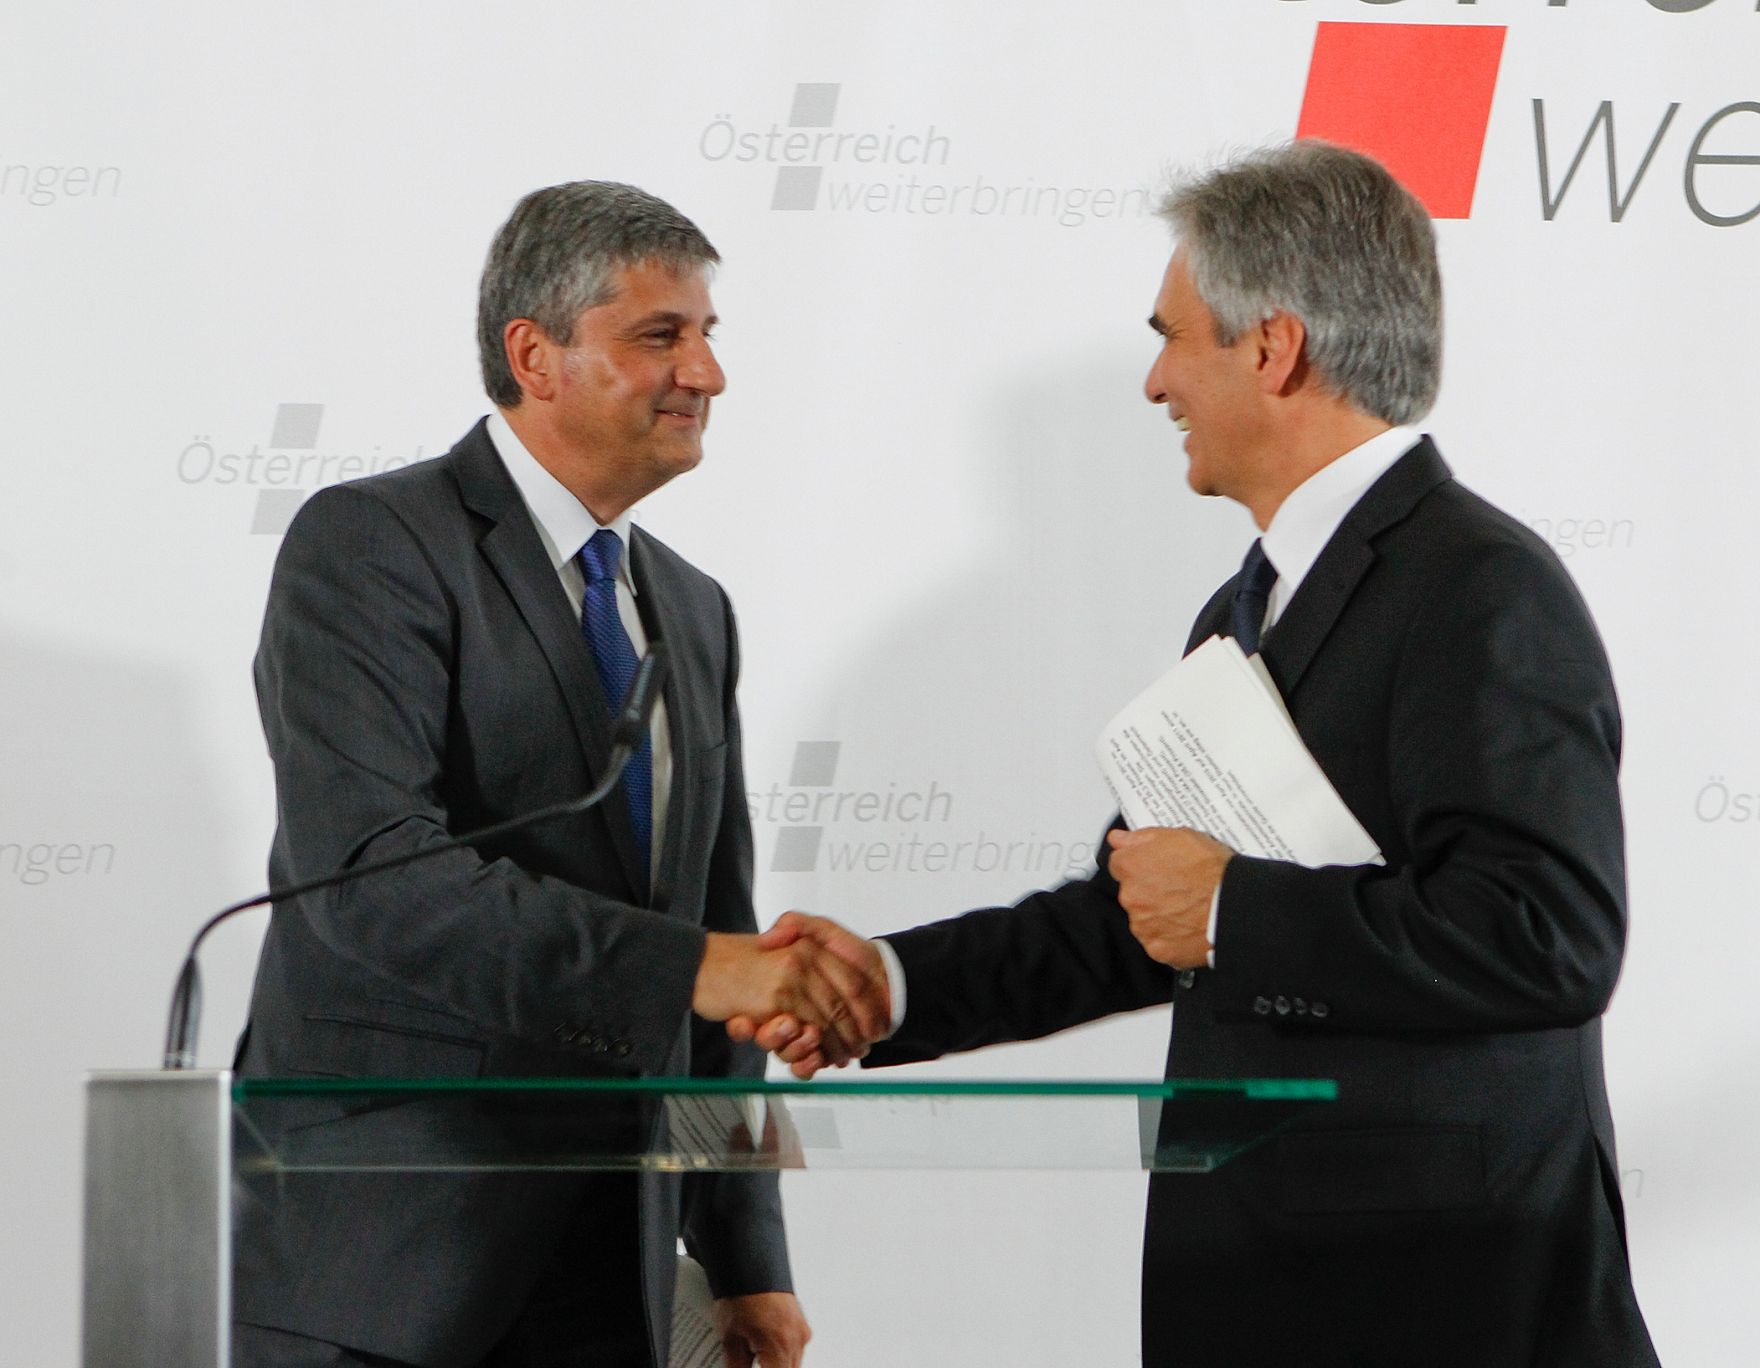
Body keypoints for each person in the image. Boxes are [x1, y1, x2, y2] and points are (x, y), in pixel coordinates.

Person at [745, 142, 1660, 1367]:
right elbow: (1137, 918)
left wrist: (1231, 910)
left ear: (1271, 347)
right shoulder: (1242, 607)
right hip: (1266, 1286)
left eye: (1171, 337)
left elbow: (1547, 936)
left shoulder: (1481, 588)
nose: (1152, 381)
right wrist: (890, 987)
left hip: (1439, 1303)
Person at [232, 181, 886, 1368]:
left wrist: (745, 1252)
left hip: (612, 1269)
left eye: (706, 335)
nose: (705, 373)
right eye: (660, 336)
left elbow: (720, 930)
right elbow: (374, 880)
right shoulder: (370, 545)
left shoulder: (690, 608)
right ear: (534, 355)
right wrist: (698, 967)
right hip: (384, 1263)